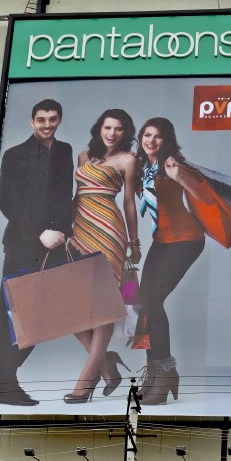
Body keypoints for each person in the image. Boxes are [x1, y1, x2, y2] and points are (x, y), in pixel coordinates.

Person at [0, 100, 76, 406]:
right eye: (41, 119)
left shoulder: (64, 151)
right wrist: (41, 232)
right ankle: (7, 385)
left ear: (59, 120)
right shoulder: (14, 155)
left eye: (52, 119)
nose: (47, 124)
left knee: (46, 315)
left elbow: (65, 195)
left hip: (55, 245)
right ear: (31, 121)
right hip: (22, 243)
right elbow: (8, 204)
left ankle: (3, 371)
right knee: (11, 309)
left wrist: (62, 230)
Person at [62, 109, 140, 405]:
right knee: (69, 306)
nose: (112, 133)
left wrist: (134, 242)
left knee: (103, 304)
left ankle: (86, 378)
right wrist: (64, 229)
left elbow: (129, 202)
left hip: (109, 229)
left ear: (125, 132)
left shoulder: (128, 160)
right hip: (79, 229)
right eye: (108, 127)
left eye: (118, 128)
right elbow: (75, 196)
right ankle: (106, 365)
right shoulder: (83, 157)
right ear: (99, 129)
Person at [132, 117, 205, 407]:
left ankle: (164, 374)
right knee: (143, 303)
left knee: (152, 302)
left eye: (158, 136)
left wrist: (181, 178)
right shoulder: (142, 167)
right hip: (161, 241)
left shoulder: (173, 166)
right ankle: (158, 373)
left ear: (167, 140)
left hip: (186, 239)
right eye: (147, 134)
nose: (151, 140)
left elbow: (203, 196)